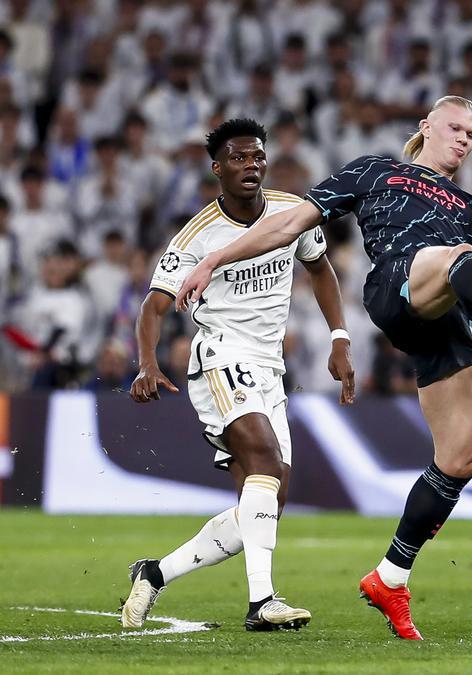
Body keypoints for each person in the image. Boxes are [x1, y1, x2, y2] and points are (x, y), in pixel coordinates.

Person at [173, 96, 472, 640]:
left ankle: (391, 576)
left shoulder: (471, 205)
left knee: (461, 458)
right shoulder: (377, 171)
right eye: (455, 128)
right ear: (426, 126)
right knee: (453, 252)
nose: (463, 139)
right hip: (396, 290)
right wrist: (214, 257)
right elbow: (290, 222)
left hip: (445, 321)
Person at [121, 118, 356, 633]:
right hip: (221, 356)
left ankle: (155, 573)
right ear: (217, 168)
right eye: (238, 159)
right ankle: (262, 602)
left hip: (270, 365)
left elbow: (320, 268)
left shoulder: (295, 213)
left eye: (257, 157)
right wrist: (147, 362)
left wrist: (339, 336)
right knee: (265, 464)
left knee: (267, 499)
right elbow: (153, 307)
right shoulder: (197, 235)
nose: (251, 166)